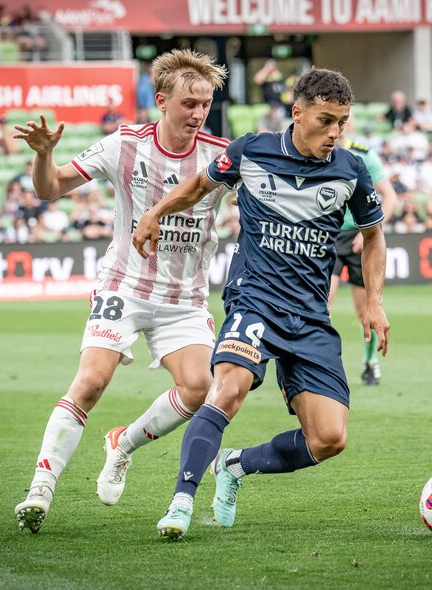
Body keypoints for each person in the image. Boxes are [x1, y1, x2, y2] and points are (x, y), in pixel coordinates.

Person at [132, 68, 389, 540]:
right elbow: (195, 188)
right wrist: (154, 212)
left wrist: (373, 302)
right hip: (255, 300)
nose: (335, 132)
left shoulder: (351, 170)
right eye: (326, 120)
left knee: (329, 439)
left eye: (343, 122)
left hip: (311, 317)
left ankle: (234, 465)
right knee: (227, 390)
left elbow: (374, 236)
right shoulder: (252, 151)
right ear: (297, 113)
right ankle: (181, 502)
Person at [12, 49, 230, 534]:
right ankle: (40, 490)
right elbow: (50, 189)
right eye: (188, 104)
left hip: (184, 298)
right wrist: (44, 154)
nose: (197, 114)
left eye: (205, 105)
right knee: (90, 382)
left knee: (200, 388)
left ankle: (123, 443)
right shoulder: (125, 144)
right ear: (162, 101)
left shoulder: (221, 154)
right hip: (124, 284)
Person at [329, 131, 396, 386]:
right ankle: (323, 362)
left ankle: (370, 362)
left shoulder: (363, 155)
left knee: (365, 311)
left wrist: (371, 232)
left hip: (359, 237)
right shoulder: (315, 150)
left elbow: (390, 196)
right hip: (329, 235)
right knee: (324, 305)